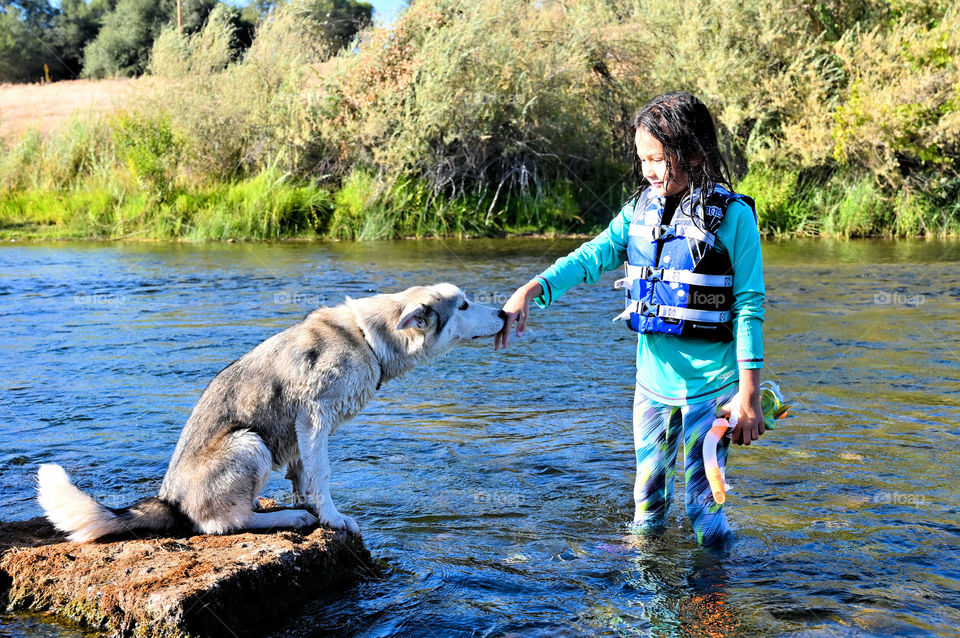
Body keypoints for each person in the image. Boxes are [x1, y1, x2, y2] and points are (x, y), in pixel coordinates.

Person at [494, 91, 766, 546]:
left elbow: (749, 307)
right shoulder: (638, 212)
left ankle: (715, 604)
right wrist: (533, 288)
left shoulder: (734, 218)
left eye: (659, 159)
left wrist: (749, 396)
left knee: (705, 511)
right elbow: (591, 257)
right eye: (643, 160)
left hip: (712, 393)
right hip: (652, 387)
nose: (649, 172)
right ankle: (645, 597)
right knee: (646, 507)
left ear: (694, 152)